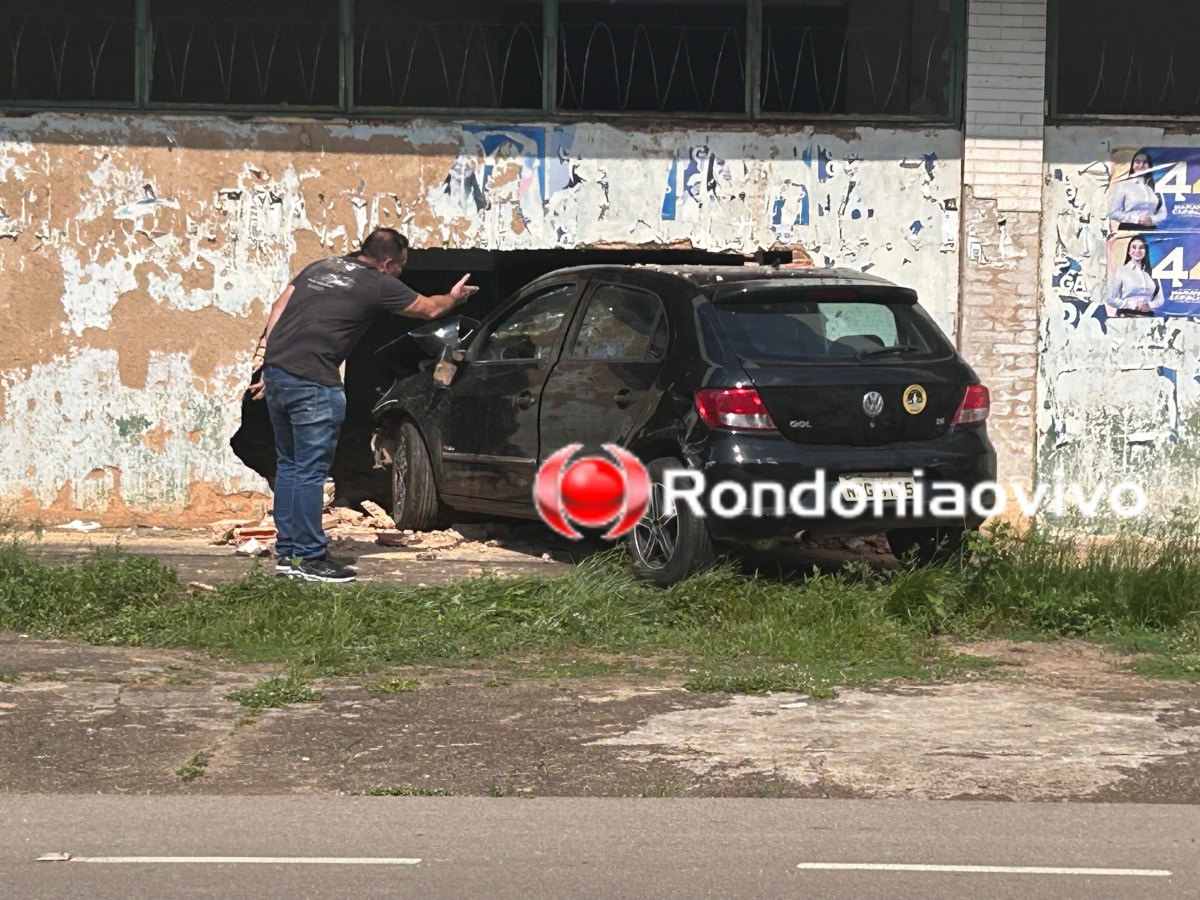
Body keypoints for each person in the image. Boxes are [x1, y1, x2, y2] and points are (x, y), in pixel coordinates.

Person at [251, 227, 478, 583]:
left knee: (291, 466)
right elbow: (429, 310)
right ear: (388, 262)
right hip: (314, 381)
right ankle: (310, 558)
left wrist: (266, 357)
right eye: (401, 266)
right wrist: (454, 297)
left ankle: (289, 554)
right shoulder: (379, 283)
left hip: (279, 374)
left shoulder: (320, 267)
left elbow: (280, 305)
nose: (401, 273)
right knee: (310, 471)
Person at [1108, 148, 1166, 232]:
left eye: (1145, 162)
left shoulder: (1155, 187)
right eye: (1137, 162)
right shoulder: (1124, 185)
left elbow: (1163, 213)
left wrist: (1152, 219)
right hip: (1129, 229)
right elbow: (1113, 213)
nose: (1141, 165)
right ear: (1132, 165)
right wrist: (1137, 219)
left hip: (1150, 230)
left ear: (1149, 165)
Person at [1108, 235, 1162, 316]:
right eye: (1134, 247)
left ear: (1145, 251)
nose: (1137, 250)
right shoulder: (1122, 271)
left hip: (1148, 317)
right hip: (1127, 316)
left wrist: (1149, 305)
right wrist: (1133, 305)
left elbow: (1160, 299)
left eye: (1141, 248)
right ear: (1129, 251)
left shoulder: (1152, 273)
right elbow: (1111, 299)